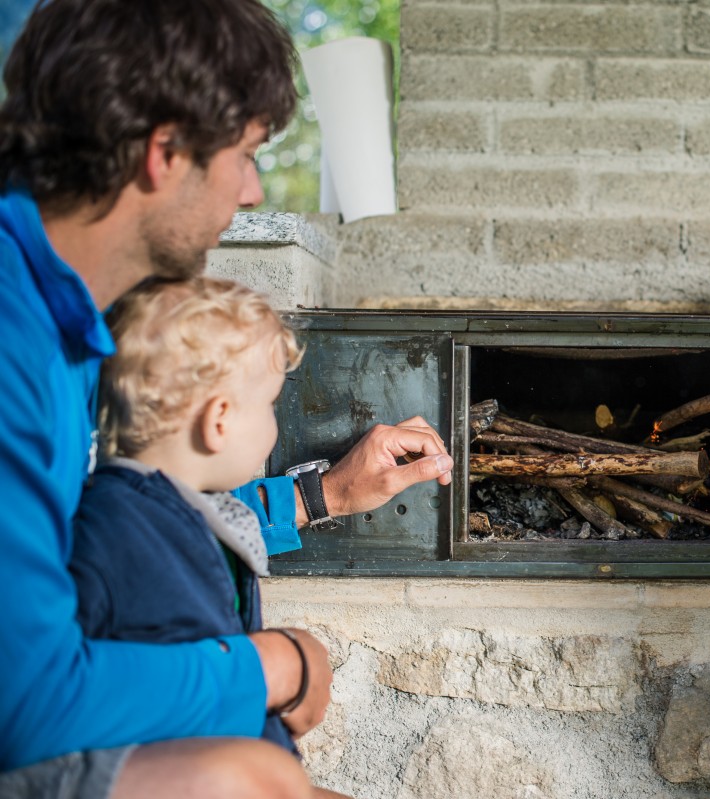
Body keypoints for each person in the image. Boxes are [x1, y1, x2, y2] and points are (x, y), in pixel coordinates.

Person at [0, 0, 452, 796]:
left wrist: (324, 494)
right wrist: (272, 664)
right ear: (163, 151)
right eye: (244, 154)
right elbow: (27, 702)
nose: (250, 193)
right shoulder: (12, 337)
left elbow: (137, 519)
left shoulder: (72, 319)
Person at [70, 276, 348, 799]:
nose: (274, 428)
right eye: (268, 405)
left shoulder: (179, 516)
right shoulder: (113, 530)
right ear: (219, 420)